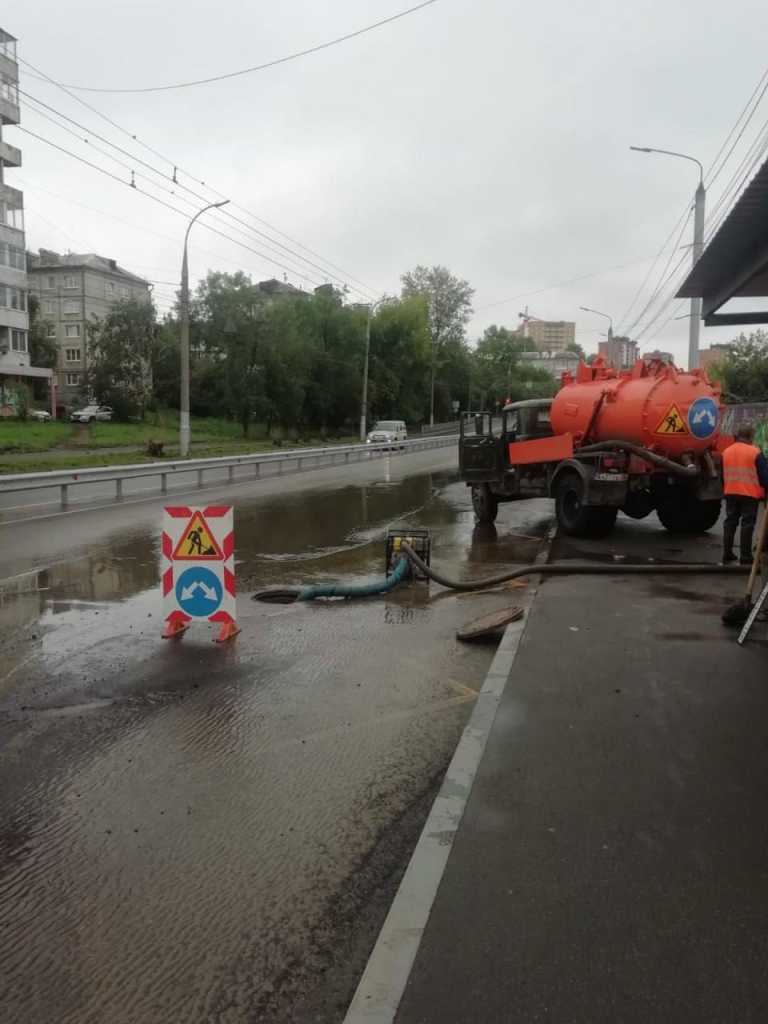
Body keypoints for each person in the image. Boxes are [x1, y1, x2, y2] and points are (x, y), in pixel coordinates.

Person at [721, 424, 768, 564]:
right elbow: (764, 477)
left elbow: (723, 475)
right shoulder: (755, 452)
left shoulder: (726, 452)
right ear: (750, 437)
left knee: (730, 522)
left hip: (730, 492)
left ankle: (727, 553)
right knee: (747, 524)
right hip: (749, 493)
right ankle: (746, 556)